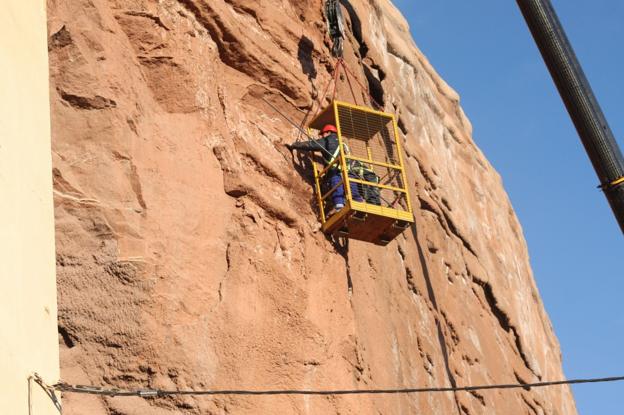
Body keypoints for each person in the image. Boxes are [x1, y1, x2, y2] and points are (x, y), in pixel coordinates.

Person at [286, 124, 363, 212]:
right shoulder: (343, 144)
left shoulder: (328, 140)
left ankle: (339, 206)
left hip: (335, 172)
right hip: (349, 171)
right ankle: (360, 206)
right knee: (352, 188)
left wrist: (295, 145)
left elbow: (311, 145)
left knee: (336, 187)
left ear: (328, 132)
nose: (322, 136)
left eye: (323, 134)